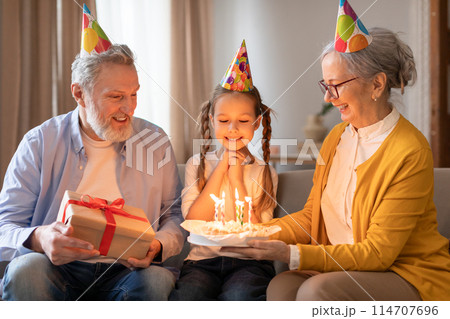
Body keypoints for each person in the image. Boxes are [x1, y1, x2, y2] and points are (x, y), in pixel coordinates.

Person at [222, 2, 450, 302]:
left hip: (403, 272)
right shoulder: (337, 137)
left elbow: (378, 254)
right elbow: (312, 216)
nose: (329, 98)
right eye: (325, 85)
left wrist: (292, 254)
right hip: (347, 268)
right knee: (281, 286)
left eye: (336, 85)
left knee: (317, 290)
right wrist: (257, 232)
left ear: (377, 84)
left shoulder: (410, 150)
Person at [0, 13, 186, 300]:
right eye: (115, 97)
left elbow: (174, 215)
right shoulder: (40, 142)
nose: (129, 108)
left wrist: (159, 244)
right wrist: (40, 238)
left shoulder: (154, 140)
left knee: (156, 282)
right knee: (26, 271)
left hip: (129, 271)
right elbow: (5, 226)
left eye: (134, 94)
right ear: (79, 94)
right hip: (55, 268)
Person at [169, 40, 278, 301]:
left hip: (249, 264)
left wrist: (239, 179)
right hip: (201, 262)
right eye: (223, 121)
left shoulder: (264, 172)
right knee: (188, 299)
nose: (232, 129)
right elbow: (193, 220)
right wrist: (221, 169)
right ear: (211, 120)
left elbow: (256, 233)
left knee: (241, 298)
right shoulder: (197, 164)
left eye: (242, 121)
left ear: (257, 123)